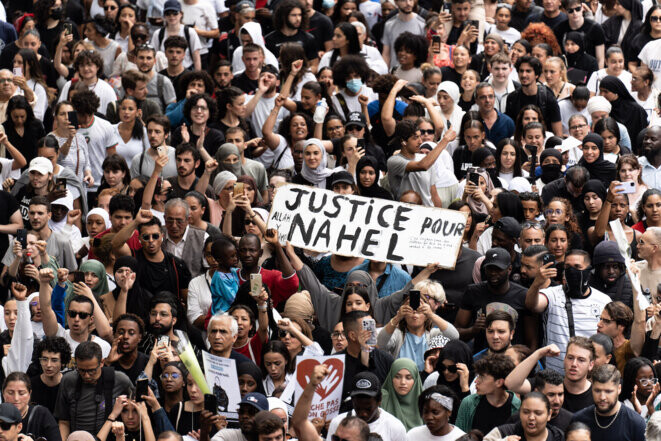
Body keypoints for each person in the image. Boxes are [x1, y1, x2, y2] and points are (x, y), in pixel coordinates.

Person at [525, 249, 611, 372]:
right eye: (567, 267)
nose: (572, 271)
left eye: (577, 267)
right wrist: (536, 283)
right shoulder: (553, 294)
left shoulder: (603, 300)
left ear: (588, 270)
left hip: (588, 376)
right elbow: (532, 305)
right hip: (555, 376)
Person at [54, 341, 132, 438]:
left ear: (102, 363)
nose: (86, 376)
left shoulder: (119, 380)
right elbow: (63, 421)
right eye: (81, 370)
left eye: (92, 371)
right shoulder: (68, 380)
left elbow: (136, 405)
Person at [571, 364, 646, 441]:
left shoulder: (636, 423)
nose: (602, 397)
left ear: (619, 389)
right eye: (597, 391)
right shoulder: (579, 419)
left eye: (608, 391)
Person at [326, 372, 407, 441]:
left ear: (379, 400)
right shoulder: (338, 423)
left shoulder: (395, 428)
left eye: (368, 409)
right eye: (358, 408)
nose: (363, 414)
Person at [455, 353, 519, 435]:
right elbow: (459, 436)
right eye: (477, 376)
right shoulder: (468, 403)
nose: (476, 381)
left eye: (482, 377)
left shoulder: (517, 406)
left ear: (499, 382)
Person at [505, 56, 562, 136]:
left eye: (528, 71)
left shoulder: (547, 97)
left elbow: (558, 132)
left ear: (536, 75)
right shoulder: (512, 98)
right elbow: (511, 129)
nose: (524, 75)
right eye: (521, 71)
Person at [3, 372, 61, 441]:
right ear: (3, 393)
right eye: (10, 393)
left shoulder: (42, 415)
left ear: (29, 394)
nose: (16, 398)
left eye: (21, 393)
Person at [484, 392, 563, 441]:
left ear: (549, 414)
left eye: (538, 413)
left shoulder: (558, 437)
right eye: (526, 412)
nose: (531, 417)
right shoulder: (504, 432)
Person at [264, 0, 318, 69]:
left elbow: (314, 65)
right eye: (294, 15)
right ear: (284, 16)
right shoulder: (270, 39)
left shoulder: (308, 39)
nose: (298, 19)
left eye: (300, 15)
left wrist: (302, 74)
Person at [30, 336, 71, 413]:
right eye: (44, 359)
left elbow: (101, 405)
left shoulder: (69, 385)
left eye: (54, 360)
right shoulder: (30, 385)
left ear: (62, 362)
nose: (48, 365)